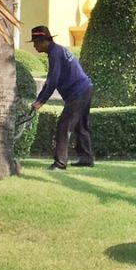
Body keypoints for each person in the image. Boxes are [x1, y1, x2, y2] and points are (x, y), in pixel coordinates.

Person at [28, 25, 95, 170]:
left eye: (35, 42)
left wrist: (40, 101)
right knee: (80, 126)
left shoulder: (54, 53)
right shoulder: (57, 50)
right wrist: (40, 99)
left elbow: (52, 80)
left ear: (44, 41)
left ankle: (60, 163)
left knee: (64, 126)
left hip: (78, 92)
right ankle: (86, 158)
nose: (34, 46)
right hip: (86, 88)